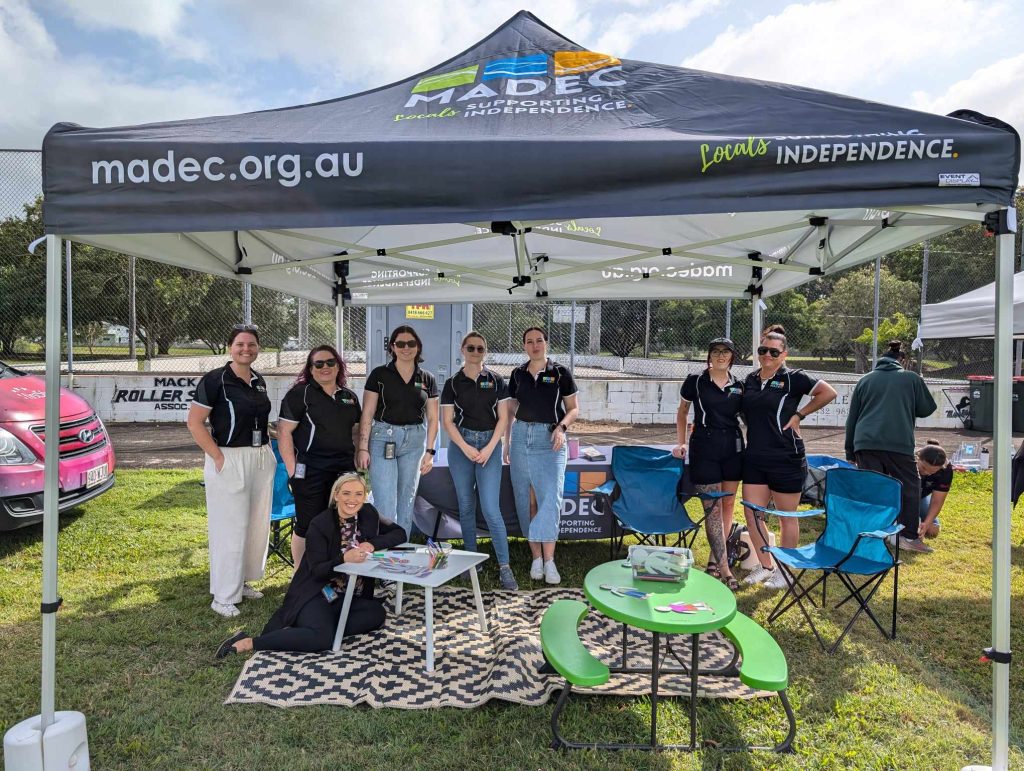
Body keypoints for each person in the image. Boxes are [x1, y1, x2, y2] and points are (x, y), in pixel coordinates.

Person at [215, 473, 404, 658]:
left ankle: (307, 629)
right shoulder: (320, 524)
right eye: (346, 493)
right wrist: (344, 559)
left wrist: (372, 544)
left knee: (377, 614)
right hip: (318, 594)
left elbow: (399, 533)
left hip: (348, 597)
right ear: (336, 495)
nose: (352, 500)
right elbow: (318, 571)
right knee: (322, 639)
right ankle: (250, 642)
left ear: (364, 496)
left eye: (358, 494)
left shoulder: (368, 513)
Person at [187, 324, 275, 618]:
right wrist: (217, 456)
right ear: (229, 347)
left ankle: (243, 581)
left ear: (258, 348)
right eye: (240, 344)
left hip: (260, 457)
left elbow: (260, 420)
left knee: (256, 523)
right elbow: (195, 422)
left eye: (251, 345)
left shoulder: (258, 380)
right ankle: (223, 595)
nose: (246, 349)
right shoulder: (215, 380)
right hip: (229, 457)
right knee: (230, 526)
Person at [741, 324, 837, 589]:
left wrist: (799, 415)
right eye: (763, 350)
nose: (767, 356)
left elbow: (828, 392)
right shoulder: (749, 380)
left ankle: (785, 571)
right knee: (753, 515)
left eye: (774, 352)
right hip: (755, 458)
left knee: (787, 517)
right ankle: (765, 566)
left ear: (784, 354)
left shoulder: (794, 377)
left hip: (787, 457)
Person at [441, 332, 518, 590]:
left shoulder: (496, 380)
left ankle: (504, 567)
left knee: (490, 508)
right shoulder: (452, 383)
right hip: (461, 444)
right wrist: (464, 447)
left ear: (485, 352)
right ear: (462, 349)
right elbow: (447, 422)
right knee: (465, 504)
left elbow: (504, 419)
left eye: (480, 348)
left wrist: (489, 448)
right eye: (471, 348)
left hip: (489, 446)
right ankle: (471, 561)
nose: (476, 352)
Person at [845, 340, 937, 554]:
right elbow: (927, 409)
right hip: (899, 442)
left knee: (873, 488)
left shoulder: (865, 380)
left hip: (865, 441)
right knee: (910, 487)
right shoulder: (911, 378)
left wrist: (850, 450)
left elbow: (853, 418)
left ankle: (871, 535)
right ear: (902, 361)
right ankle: (907, 536)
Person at [505, 326, 579, 584]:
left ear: (546, 343)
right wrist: (507, 442)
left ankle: (550, 560)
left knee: (551, 499)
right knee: (528, 500)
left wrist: (562, 427)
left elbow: (573, 409)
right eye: (529, 341)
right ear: (524, 346)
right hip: (521, 438)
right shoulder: (517, 374)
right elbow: (511, 409)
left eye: (539, 340)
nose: (535, 345)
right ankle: (536, 557)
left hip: (550, 440)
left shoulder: (560, 373)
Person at [277, 345, 361, 565]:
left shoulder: (349, 397)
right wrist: (292, 469)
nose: (325, 367)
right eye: (319, 364)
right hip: (310, 469)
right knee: (308, 523)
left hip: (343, 470)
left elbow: (356, 430)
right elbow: (284, 431)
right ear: (311, 369)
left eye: (330, 362)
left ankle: (332, 571)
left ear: (338, 366)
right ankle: (301, 575)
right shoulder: (300, 394)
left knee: (340, 521)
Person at [672, 338, 743, 591]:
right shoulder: (696, 381)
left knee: (727, 504)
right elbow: (682, 413)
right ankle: (725, 569)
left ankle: (715, 561)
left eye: (726, 352)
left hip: (733, 449)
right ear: (709, 356)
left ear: (732, 356)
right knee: (711, 506)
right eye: (716, 352)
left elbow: (748, 416)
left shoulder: (739, 386)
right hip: (704, 447)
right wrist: (681, 443)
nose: (721, 356)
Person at [357, 326, 439, 538]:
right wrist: (363, 448)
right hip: (384, 438)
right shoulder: (379, 374)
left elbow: (432, 417)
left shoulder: (427, 378)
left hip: (415, 441)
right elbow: (367, 414)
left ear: (418, 347)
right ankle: (384, 550)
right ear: (392, 347)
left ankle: (402, 551)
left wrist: (430, 452)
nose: (406, 348)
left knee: (407, 499)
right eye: (400, 344)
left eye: (411, 343)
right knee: (385, 500)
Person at [918, 440, 952, 541]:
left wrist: (927, 523)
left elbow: (938, 500)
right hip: (901, 497)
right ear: (918, 457)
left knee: (933, 530)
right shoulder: (908, 460)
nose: (926, 473)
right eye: (923, 468)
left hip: (921, 497)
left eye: (932, 472)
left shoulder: (946, 470)